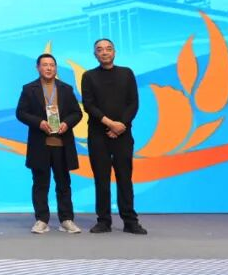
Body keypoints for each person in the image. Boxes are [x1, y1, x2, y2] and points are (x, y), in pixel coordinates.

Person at [81, 38, 147, 235]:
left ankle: (130, 221)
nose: (104, 52)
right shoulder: (89, 76)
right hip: (98, 135)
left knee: (124, 178)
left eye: (108, 49)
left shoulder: (126, 73)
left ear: (114, 52)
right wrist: (110, 124)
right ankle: (103, 221)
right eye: (100, 50)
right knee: (101, 180)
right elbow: (89, 105)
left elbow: (133, 103)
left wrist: (121, 125)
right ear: (95, 54)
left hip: (123, 135)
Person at [15, 53, 83, 234]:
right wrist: (39, 123)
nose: (48, 68)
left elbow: (77, 113)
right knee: (40, 184)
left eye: (52, 65)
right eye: (45, 65)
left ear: (56, 68)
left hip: (62, 144)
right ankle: (41, 220)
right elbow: (21, 113)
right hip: (40, 144)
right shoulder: (29, 89)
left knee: (64, 184)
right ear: (38, 67)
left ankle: (66, 220)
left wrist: (66, 123)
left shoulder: (66, 89)